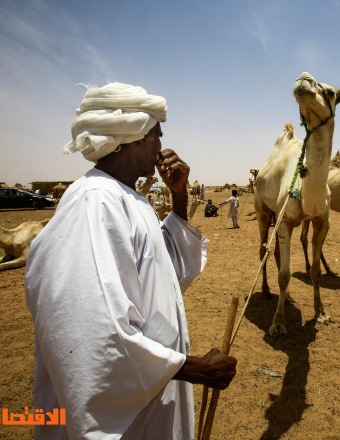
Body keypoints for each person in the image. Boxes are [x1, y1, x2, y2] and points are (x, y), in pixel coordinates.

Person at [24, 82, 236, 439]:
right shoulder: (95, 202)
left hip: (148, 398)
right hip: (121, 416)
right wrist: (192, 368)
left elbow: (163, 273)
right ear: (131, 138)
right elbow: (89, 330)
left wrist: (179, 196)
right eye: (154, 134)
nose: (161, 143)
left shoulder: (129, 199)